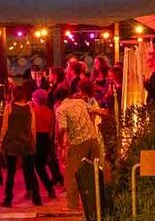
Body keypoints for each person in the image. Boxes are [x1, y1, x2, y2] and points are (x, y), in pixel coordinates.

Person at [56, 78, 106, 211]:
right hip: (93, 139)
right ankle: (100, 201)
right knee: (97, 170)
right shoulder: (80, 102)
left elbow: (62, 128)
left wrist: (59, 141)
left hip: (78, 143)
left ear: (58, 100)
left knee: (71, 174)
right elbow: (96, 111)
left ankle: (72, 205)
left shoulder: (61, 108)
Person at [0, 83, 42, 207]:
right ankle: (37, 198)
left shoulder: (9, 108)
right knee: (30, 171)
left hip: (12, 143)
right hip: (26, 142)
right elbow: (33, 128)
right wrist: (33, 141)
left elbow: (5, 127)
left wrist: (1, 141)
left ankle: (8, 199)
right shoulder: (30, 108)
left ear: (13, 95)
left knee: (10, 173)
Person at [30, 88, 62, 199]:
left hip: (36, 139)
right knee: (41, 167)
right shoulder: (49, 112)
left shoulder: (34, 111)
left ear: (35, 100)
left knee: (33, 167)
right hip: (46, 140)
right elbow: (51, 130)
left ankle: (36, 191)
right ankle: (48, 188)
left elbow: (32, 128)